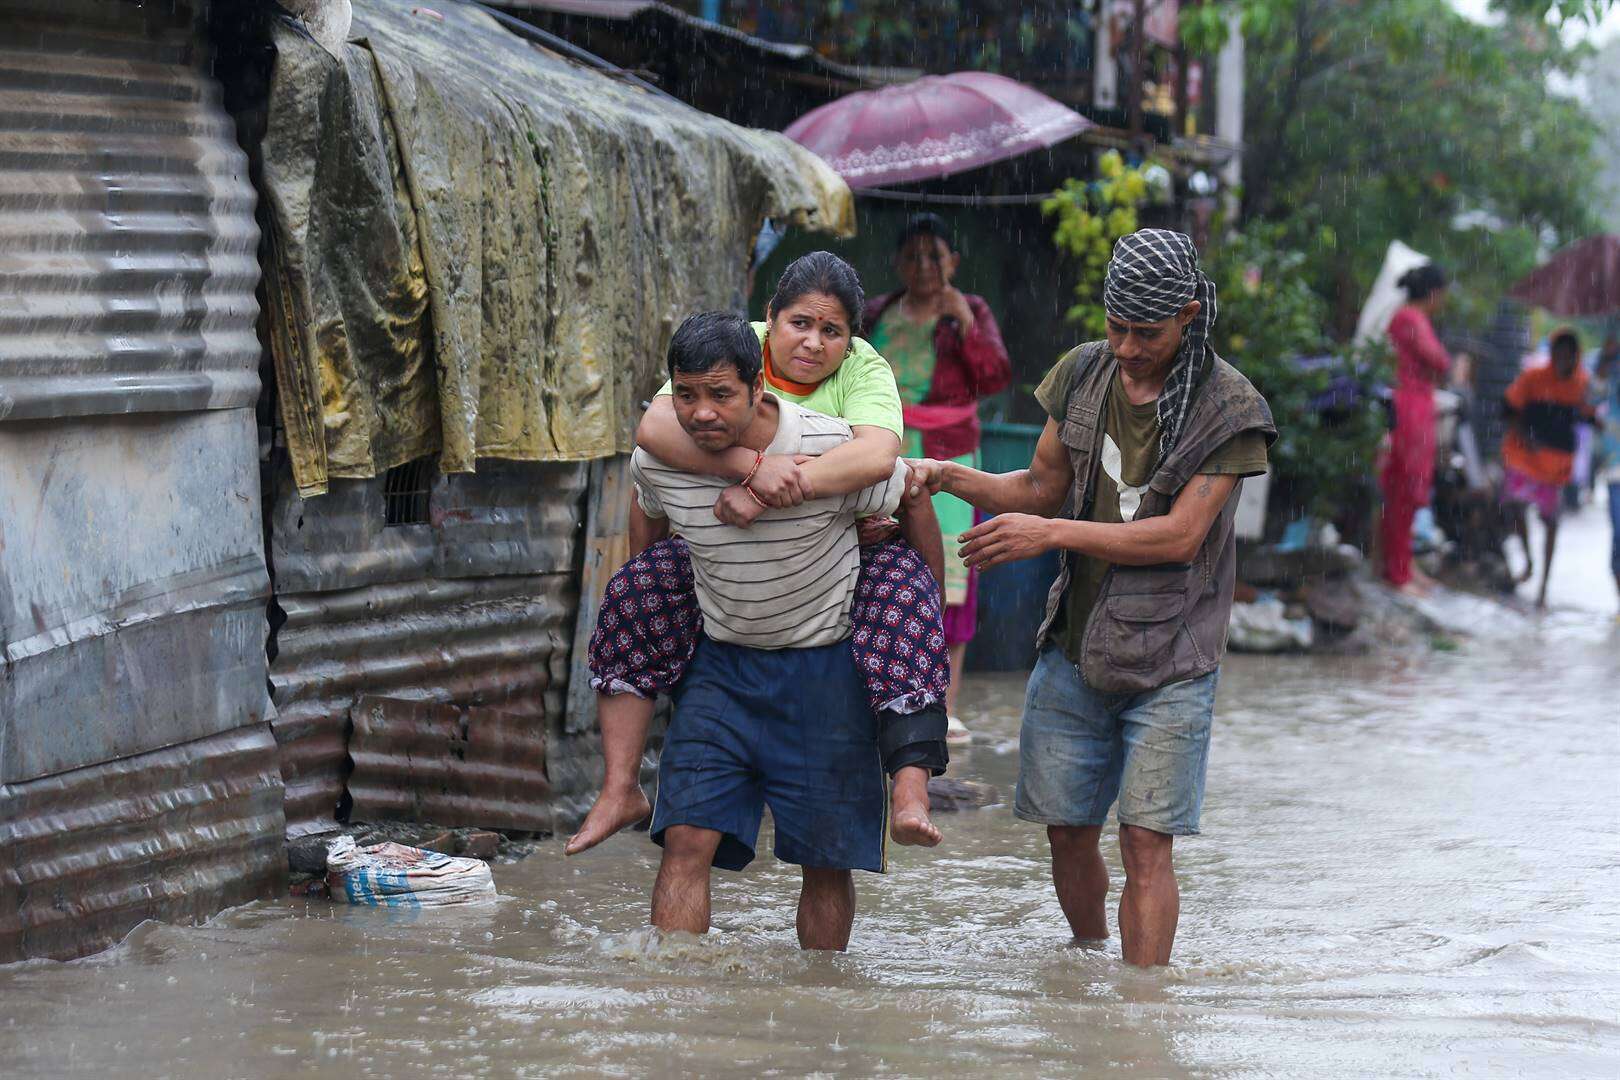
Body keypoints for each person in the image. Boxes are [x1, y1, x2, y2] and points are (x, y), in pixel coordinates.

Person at [908, 229, 1274, 966]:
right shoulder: (1083, 372)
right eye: (1117, 328)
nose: (1129, 347)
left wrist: (1052, 533)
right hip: (1073, 646)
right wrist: (943, 475)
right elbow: (1039, 485)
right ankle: (1087, 971)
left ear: (1190, 315)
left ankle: (1141, 1014)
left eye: (1148, 332)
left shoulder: (1230, 408)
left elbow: (1178, 537)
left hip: (1174, 658)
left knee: (1145, 840)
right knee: (1067, 830)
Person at [567, 252, 951, 857]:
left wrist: (771, 492)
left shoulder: (864, 371)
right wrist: (751, 469)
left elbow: (881, 461)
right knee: (636, 590)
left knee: (907, 603)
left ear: (850, 341)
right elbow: (655, 432)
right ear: (768, 321)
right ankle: (620, 787)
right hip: (727, 552)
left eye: (832, 331)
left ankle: (911, 790)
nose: (813, 342)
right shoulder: (727, 351)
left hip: (851, 536)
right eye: (799, 323)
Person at [632, 311, 941, 948]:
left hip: (824, 669)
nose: (702, 413)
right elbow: (647, 516)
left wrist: (926, 603)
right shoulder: (660, 455)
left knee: (824, 860)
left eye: (721, 395)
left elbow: (908, 492)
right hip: (720, 667)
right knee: (686, 838)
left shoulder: (834, 449)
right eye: (686, 395)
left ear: (758, 390)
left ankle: (819, 1022)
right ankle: (669, 1011)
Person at [865, 213, 1012, 743]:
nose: (924, 266)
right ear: (898, 263)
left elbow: (994, 374)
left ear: (952, 262)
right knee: (882, 556)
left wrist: (966, 324)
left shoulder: (969, 311)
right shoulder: (878, 311)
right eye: (913, 255)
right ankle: (888, 694)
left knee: (952, 570)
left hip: (948, 455)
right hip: (886, 449)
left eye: (935, 255)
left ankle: (945, 704)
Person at [1501, 327, 1596, 608]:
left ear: (1576, 357)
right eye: (1559, 354)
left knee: (1551, 521)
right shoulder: (1532, 377)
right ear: (1553, 354)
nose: (1563, 360)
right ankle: (1529, 561)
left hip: (1556, 463)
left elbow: (1591, 415)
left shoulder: (1583, 383)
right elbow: (1508, 409)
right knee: (1515, 505)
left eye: (1569, 356)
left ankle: (1544, 584)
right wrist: (1525, 436)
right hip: (1524, 456)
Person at [1380, 263, 1452, 596]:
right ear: (1435, 292)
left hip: (1417, 407)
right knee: (1403, 488)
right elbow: (1438, 360)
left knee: (1409, 489)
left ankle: (1404, 566)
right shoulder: (1410, 318)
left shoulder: (1412, 317)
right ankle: (1397, 572)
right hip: (1409, 408)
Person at [1596, 336, 1620, 613]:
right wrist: (1605, 358)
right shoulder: (1612, 367)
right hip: (1616, 467)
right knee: (1619, 534)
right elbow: (1590, 397)